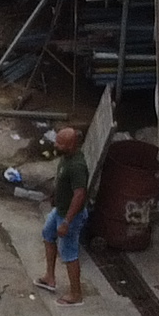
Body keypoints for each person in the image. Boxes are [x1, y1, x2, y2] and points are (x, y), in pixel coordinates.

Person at [40, 125, 94, 304]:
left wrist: (67, 222)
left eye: (60, 143)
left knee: (69, 252)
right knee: (48, 234)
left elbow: (80, 194)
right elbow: (63, 182)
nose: (56, 145)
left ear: (71, 146)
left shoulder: (77, 166)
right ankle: (49, 276)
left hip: (69, 216)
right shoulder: (65, 158)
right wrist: (55, 195)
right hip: (59, 210)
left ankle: (76, 293)